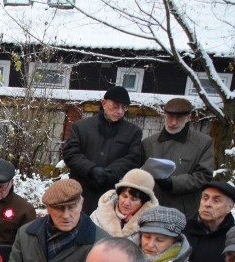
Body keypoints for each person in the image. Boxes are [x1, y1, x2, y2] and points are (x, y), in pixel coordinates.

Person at [2, 179, 107, 262]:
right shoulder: (26, 233)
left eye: (72, 206)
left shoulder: (100, 244)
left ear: (81, 203)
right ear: (48, 208)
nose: (66, 215)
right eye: (59, 208)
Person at [62, 86, 143, 215]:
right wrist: (91, 170)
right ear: (104, 103)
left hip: (113, 195)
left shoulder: (133, 132)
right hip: (81, 191)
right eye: (116, 106)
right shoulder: (82, 127)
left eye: (124, 107)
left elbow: (133, 159)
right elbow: (71, 153)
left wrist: (108, 174)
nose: (120, 111)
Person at [141, 98, 214, 216]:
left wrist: (173, 183)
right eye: (170, 117)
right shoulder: (149, 143)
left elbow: (203, 176)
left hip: (184, 210)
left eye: (179, 118)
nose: (173, 123)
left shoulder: (203, 143)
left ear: (188, 117)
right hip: (151, 207)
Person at [184, 181, 235, 262]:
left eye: (216, 200)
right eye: (205, 198)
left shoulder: (234, 238)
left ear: (229, 207)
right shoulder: (183, 228)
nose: (207, 204)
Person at [89, 168, 159, 238]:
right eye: (124, 196)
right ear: (118, 195)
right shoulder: (97, 215)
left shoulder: (150, 225)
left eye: (134, 199)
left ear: (144, 202)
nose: (126, 203)